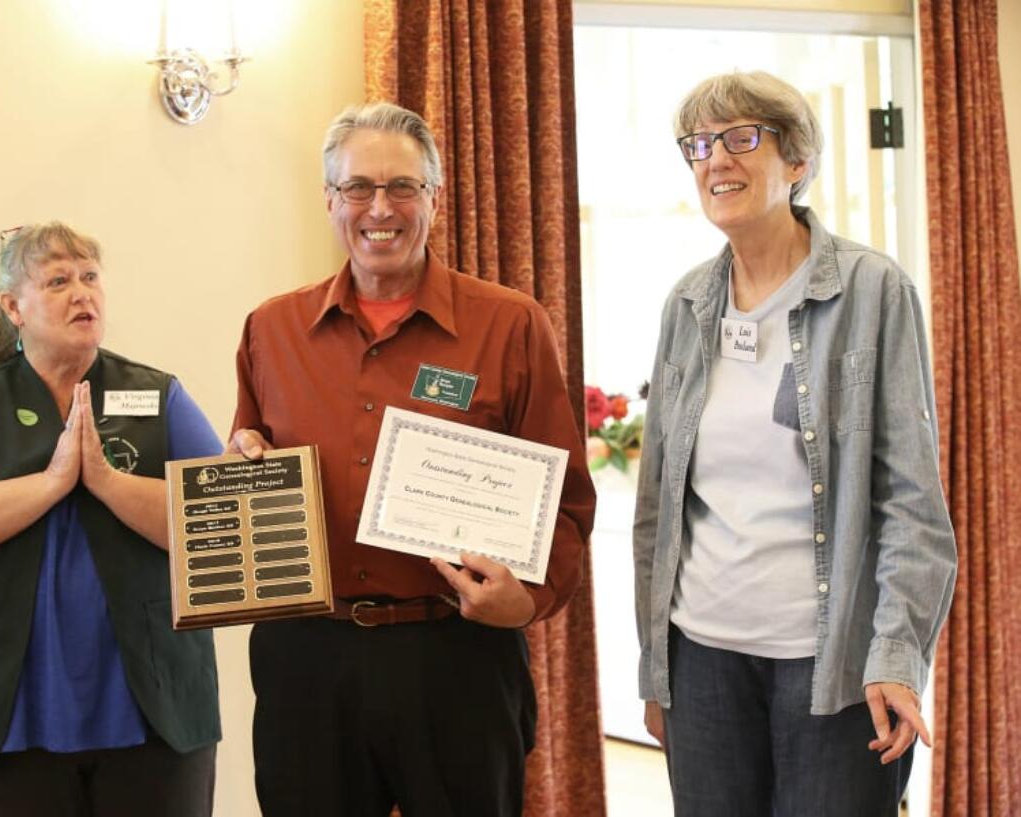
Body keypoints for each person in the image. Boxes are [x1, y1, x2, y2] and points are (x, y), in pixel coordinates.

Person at [227, 102, 596, 817]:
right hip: (307, 656)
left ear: (434, 196)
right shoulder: (271, 329)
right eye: (358, 188)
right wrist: (244, 466)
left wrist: (530, 597)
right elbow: (248, 451)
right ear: (330, 200)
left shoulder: (510, 324)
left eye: (402, 187)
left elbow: (567, 498)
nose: (380, 209)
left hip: (454, 654)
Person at [633, 71, 957, 816]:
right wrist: (658, 669)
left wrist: (897, 656)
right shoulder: (686, 304)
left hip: (834, 664)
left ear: (799, 160)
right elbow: (658, 505)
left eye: (743, 138)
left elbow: (913, 503)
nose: (717, 159)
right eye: (700, 145)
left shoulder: (874, 291)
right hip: (703, 657)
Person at [0, 223, 222, 817]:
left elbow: (224, 522)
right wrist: (49, 485)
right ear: (12, 306)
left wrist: (107, 482)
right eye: (58, 281)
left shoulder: (157, 394)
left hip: (154, 712)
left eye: (91, 277)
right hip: (11, 716)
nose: (82, 294)